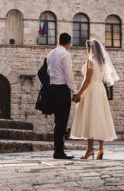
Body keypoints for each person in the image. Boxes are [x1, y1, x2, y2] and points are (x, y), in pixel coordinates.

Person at [70, 37, 119, 159]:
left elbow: (87, 80)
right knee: (100, 118)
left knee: (90, 118)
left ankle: (89, 149)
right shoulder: (103, 63)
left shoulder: (90, 61)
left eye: (87, 47)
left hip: (91, 90)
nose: (87, 49)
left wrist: (79, 94)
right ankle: (101, 149)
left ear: (91, 48)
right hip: (100, 90)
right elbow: (102, 79)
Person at [46, 32, 77, 160]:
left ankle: (58, 150)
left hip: (52, 88)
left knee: (57, 121)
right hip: (62, 89)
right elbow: (69, 75)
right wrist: (75, 91)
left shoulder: (51, 54)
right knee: (62, 121)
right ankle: (59, 151)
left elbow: (48, 71)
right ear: (68, 43)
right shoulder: (65, 54)